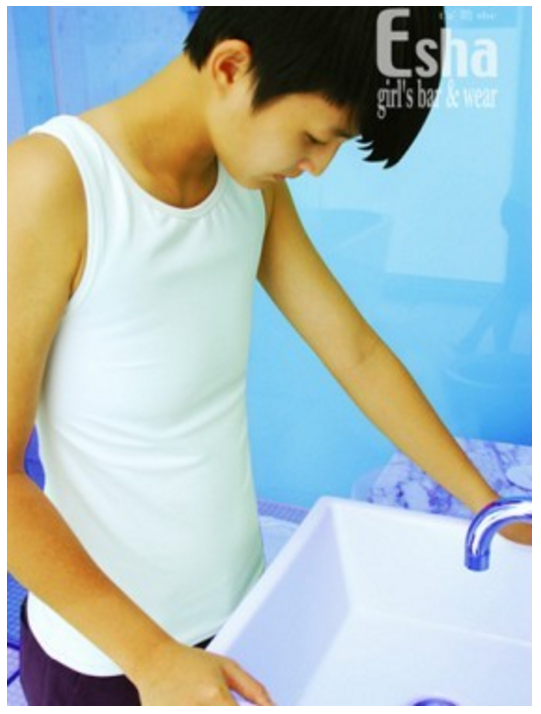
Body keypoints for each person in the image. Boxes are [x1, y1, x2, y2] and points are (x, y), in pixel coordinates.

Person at [7, 7, 531, 707]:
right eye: (315, 137)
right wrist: (151, 657)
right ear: (231, 66)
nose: (317, 167)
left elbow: (357, 354)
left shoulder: (251, 189)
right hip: (114, 661)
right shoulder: (50, 183)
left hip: (244, 619)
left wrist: (491, 509)